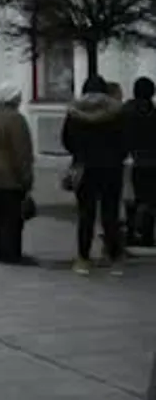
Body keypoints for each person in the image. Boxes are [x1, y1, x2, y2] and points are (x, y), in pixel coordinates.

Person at [62, 75, 128, 276]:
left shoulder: (75, 113)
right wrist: (116, 156)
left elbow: (67, 140)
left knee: (85, 214)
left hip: (84, 168)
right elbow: (125, 141)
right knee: (110, 213)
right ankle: (114, 259)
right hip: (111, 169)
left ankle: (83, 259)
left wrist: (80, 153)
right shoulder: (117, 112)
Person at [0, 82, 35, 266]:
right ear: (13, 98)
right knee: (14, 216)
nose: (20, 99)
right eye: (18, 96)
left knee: (2, 214)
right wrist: (27, 178)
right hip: (11, 174)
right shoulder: (16, 119)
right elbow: (22, 151)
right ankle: (12, 253)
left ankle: (1, 251)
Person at [125, 77, 156, 248]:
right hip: (152, 161)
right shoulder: (153, 112)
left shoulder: (126, 111)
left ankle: (131, 233)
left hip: (131, 160)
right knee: (150, 199)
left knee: (132, 199)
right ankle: (147, 235)